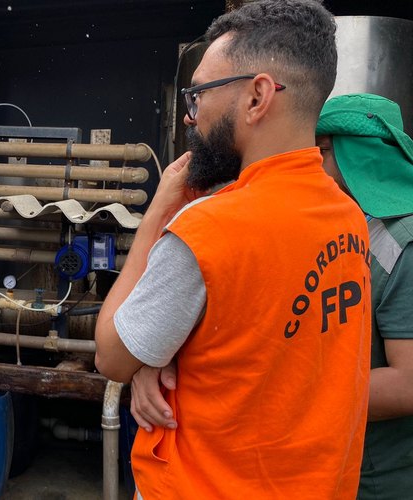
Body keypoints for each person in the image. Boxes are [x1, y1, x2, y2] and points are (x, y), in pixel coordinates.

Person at [94, 1, 371, 498]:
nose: (189, 113)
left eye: (199, 94)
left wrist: (159, 213)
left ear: (257, 97)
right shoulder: (348, 216)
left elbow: (113, 356)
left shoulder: (206, 229)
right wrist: (159, 355)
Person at [316, 93, 413, 500]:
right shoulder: (355, 224)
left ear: (356, 155)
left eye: (322, 152)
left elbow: (408, 384)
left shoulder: (402, 244)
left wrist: (299, 393)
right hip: (344, 466)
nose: (312, 165)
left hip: (382, 479)